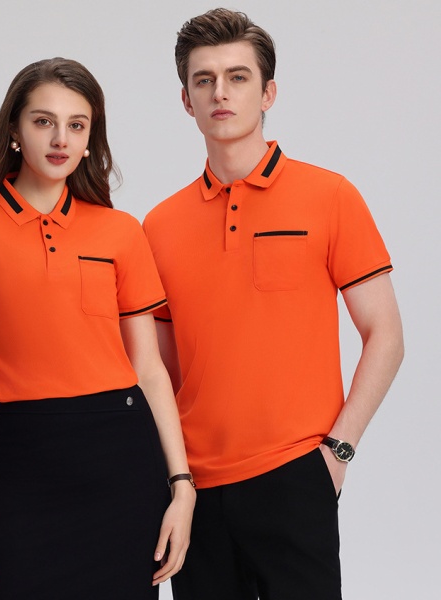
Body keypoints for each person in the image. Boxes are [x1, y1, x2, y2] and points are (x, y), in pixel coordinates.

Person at [143, 9, 404, 600]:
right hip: (196, 492)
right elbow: (158, 370)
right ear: (186, 100)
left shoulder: (330, 196)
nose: (220, 92)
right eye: (204, 80)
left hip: (297, 477)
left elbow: (386, 335)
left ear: (268, 93)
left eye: (237, 77)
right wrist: (173, 477)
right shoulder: (158, 226)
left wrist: (337, 453)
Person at [0, 57, 195, 599]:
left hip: (123, 458)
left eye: (77, 124)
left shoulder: (121, 231)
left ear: (91, 139)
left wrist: (181, 486)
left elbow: (148, 367)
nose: (60, 139)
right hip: (27, 455)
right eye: (43, 121)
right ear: (14, 130)